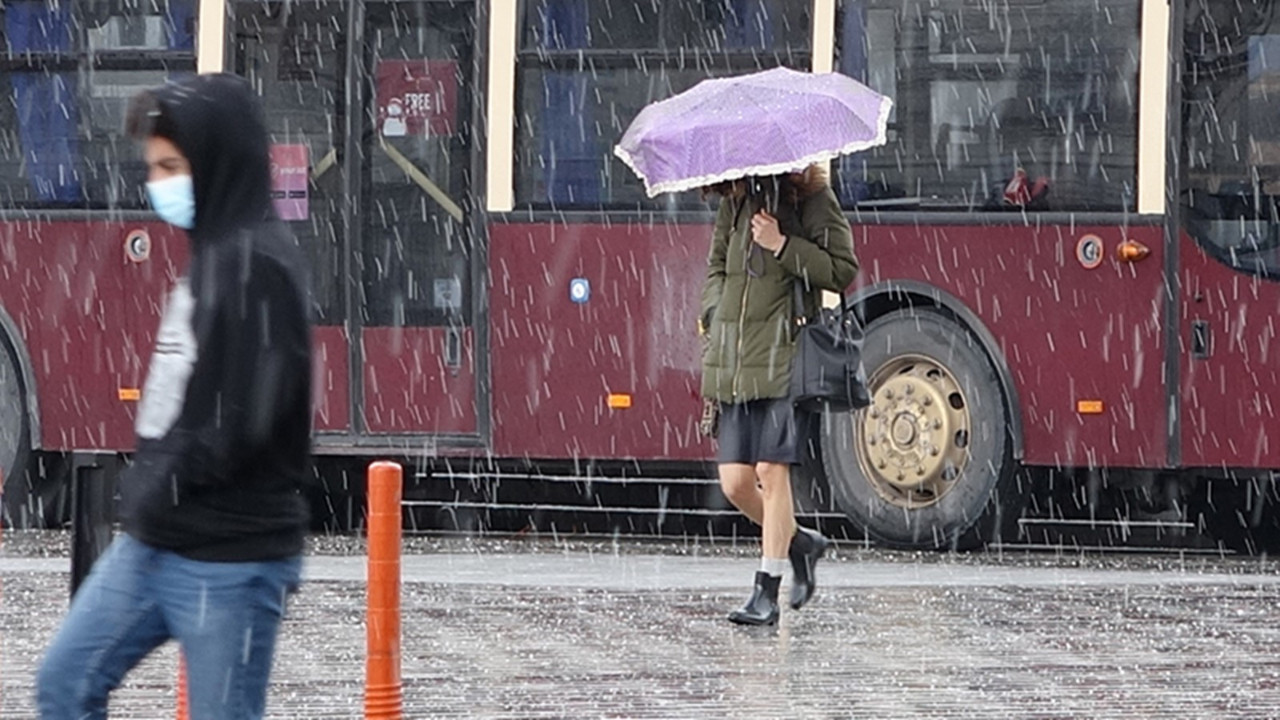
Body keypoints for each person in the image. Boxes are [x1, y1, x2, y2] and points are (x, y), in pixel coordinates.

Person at [36, 73, 313, 719]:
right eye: (153, 167)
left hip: (230, 557)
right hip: (158, 541)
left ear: (213, 162)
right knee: (65, 683)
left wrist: (165, 481)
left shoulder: (256, 265)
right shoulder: (216, 255)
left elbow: (246, 417)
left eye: (170, 166)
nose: (156, 183)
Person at [700, 165, 858, 625]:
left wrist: (783, 245)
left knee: (772, 471)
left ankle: (766, 591)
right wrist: (714, 312)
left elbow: (841, 270)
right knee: (734, 483)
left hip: (784, 354)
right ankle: (801, 543)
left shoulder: (811, 199)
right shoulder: (734, 200)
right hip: (734, 360)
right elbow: (715, 270)